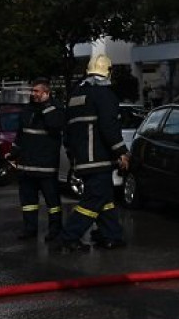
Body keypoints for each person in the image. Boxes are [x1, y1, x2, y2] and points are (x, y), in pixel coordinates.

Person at [56, 54, 131, 252]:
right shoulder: (104, 94)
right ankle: (69, 236)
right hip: (99, 159)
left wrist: (72, 155)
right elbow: (109, 126)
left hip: (82, 159)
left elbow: (67, 130)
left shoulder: (75, 95)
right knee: (94, 199)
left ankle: (111, 235)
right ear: (108, 72)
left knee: (105, 198)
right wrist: (122, 152)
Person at [14, 78, 65, 243]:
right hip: (26, 165)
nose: (33, 94)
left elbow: (55, 125)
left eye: (37, 91)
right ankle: (29, 229)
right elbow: (21, 134)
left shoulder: (55, 109)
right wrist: (14, 151)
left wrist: (45, 106)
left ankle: (55, 230)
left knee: (52, 202)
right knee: (28, 202)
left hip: (46, 166)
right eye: (33, 90)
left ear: (46, 93)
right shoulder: (28, 109)